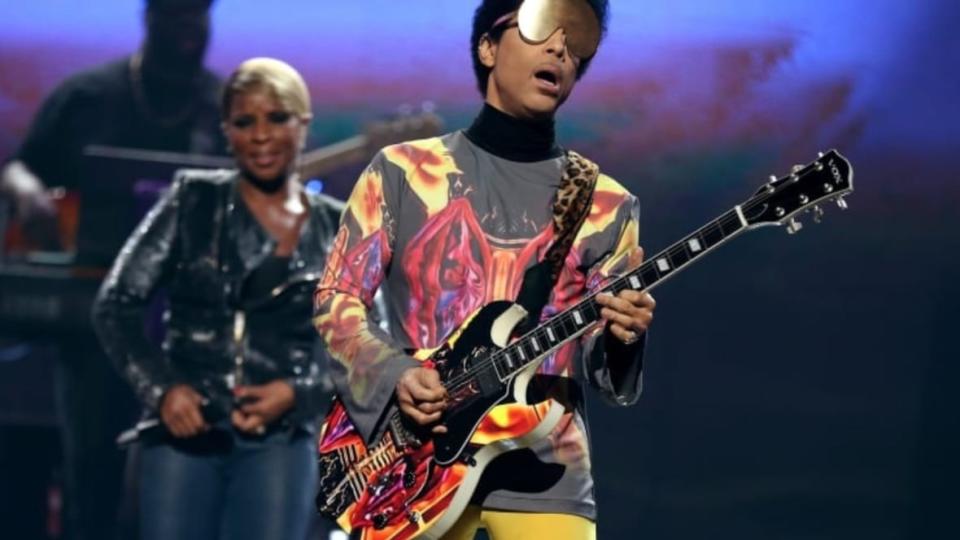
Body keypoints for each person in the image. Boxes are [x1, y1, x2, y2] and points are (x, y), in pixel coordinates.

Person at [313, 1, 656, 538]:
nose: (560, 49)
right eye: (542, 28)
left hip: (548, 473)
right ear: (488, 47)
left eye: (576, 40)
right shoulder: (403, 172)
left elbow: (603, 372)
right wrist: (396, 374)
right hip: (414, 467)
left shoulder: (607, 204)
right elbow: (336, 298)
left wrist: (623, 336)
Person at [92, 57, 341, 540]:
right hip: (187, 433)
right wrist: (164, 390)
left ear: (303, 124)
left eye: (277, 118)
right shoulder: (192, 200)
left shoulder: (337, 226)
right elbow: (115, 304)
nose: (261, 135)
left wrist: (299, 392)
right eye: (245, 122)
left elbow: (370, 345)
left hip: (281, 438)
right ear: (226, 130)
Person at [0, 2, 223, 538]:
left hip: (193, 326)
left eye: (200, 15)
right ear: (151, 17)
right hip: (96, 314)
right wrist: (26, 190)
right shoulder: (87, 97)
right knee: (92, 472)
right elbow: (20, 166)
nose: (190, 26)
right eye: (178, 14)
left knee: (185, 479)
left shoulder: (222, 107)